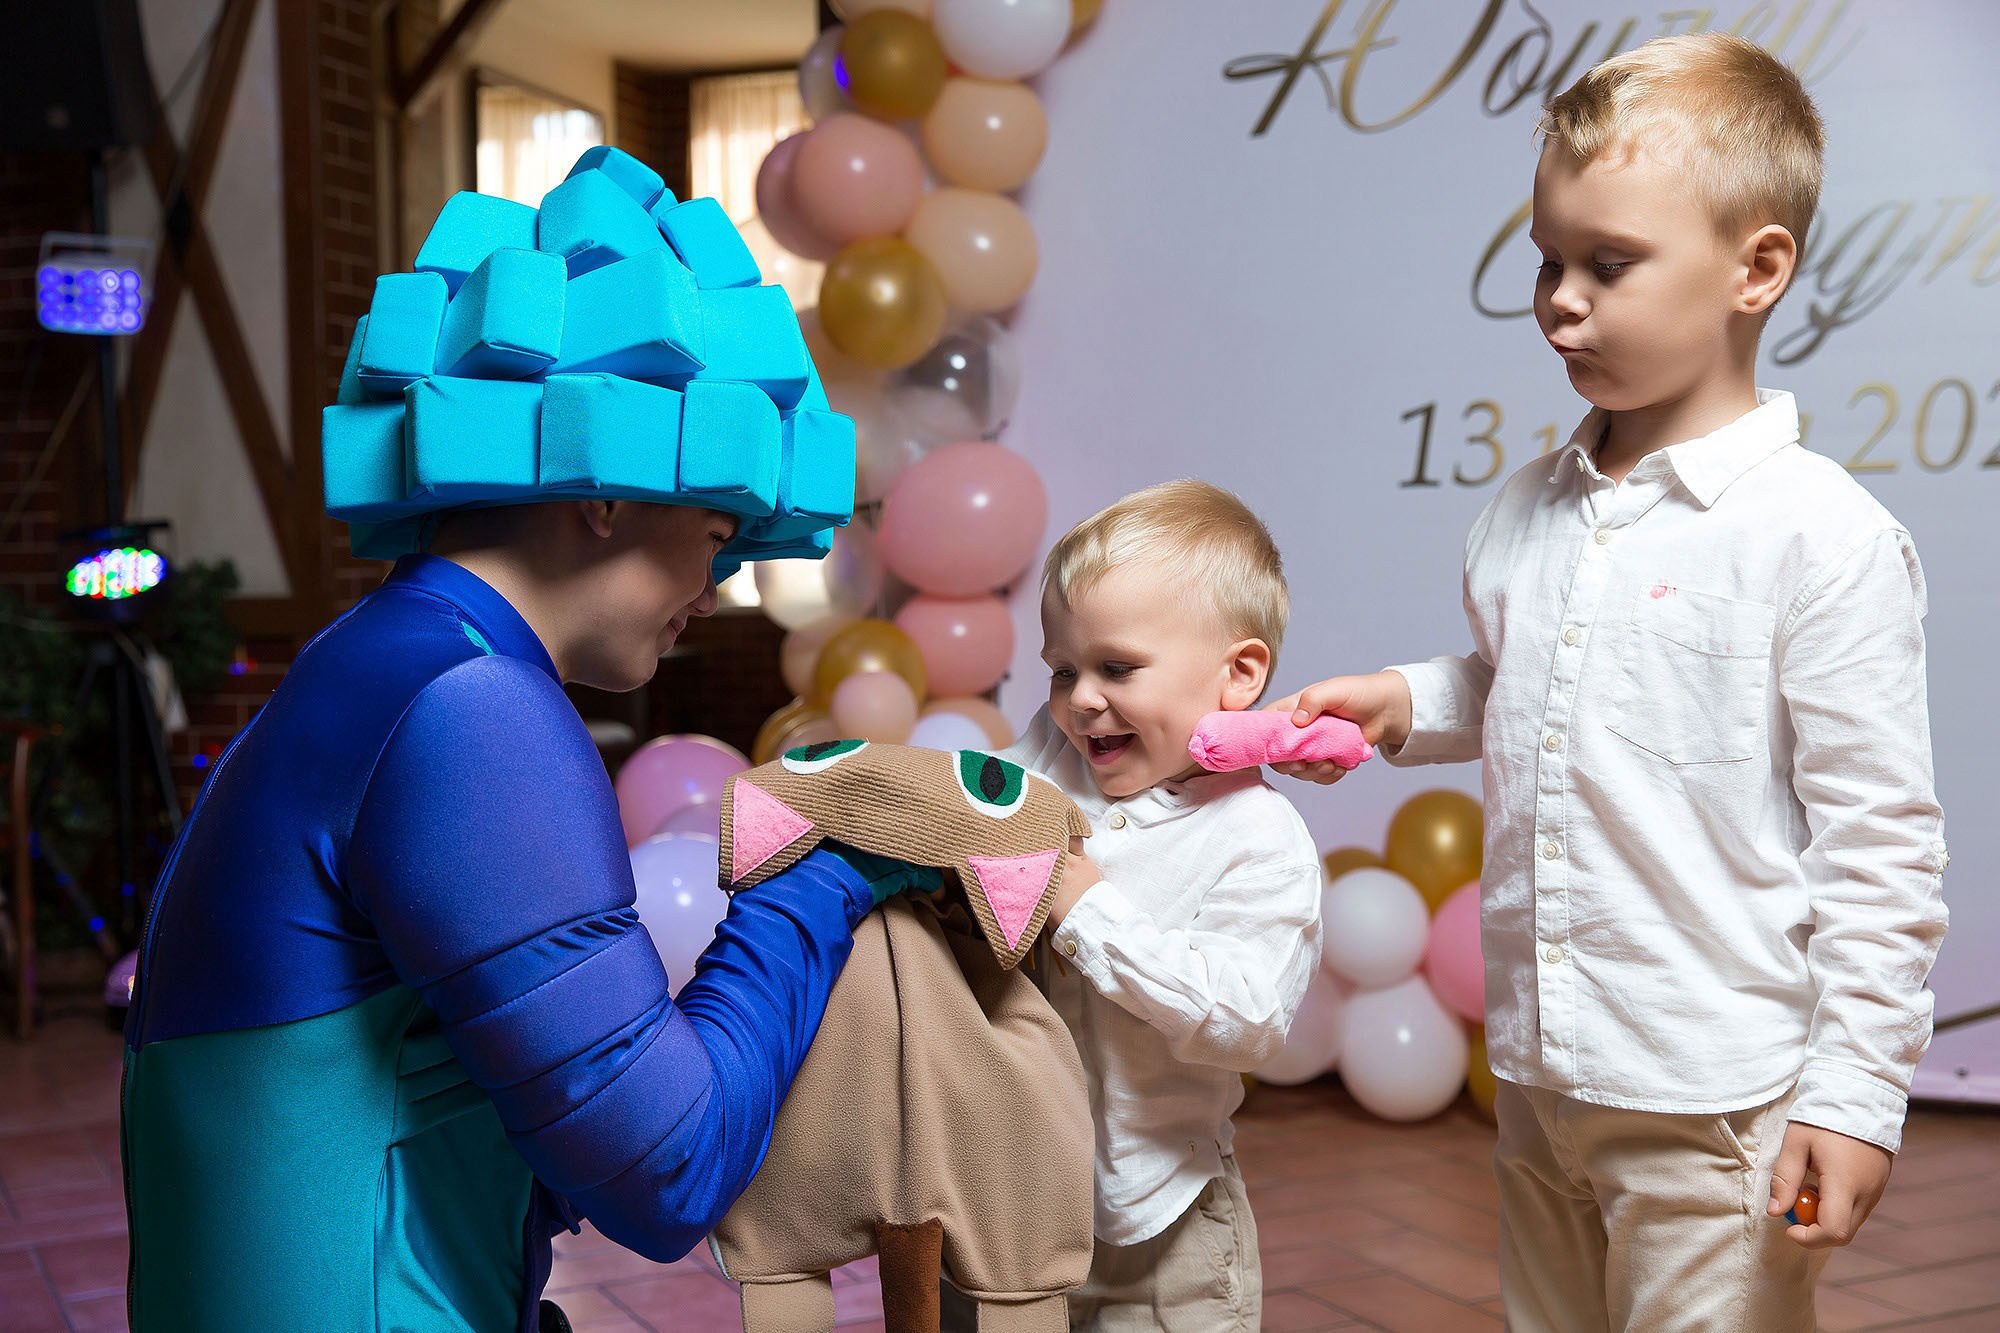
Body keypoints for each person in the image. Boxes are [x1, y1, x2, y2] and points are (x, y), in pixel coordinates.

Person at [120, 150, 938, 1333]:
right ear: (600, 487)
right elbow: (670, 1173)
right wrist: (817, 873)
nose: (711, 588)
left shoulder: (381, 655)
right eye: (712, 533)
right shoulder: (474, 707)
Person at [1275, 34, 1948, 1331]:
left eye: (1609, 264)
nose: (1559, 301)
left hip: (1717, 1090)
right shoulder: (1526, 508)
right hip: (1541, 1067)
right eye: (1548, 260)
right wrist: (1411, 703)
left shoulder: (1821, 537)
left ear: (1756, 268)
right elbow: (1531, 680)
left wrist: (1853, 1096)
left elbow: (1883, 848)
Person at [993, 480, 1323, 1331]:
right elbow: (989, 804)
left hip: (1164, 1221)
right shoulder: (1054, 753)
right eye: (1063, 669)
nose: (1081, 700)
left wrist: (1084, 905)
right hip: (1010, 1205)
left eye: (1117, 667)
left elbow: (1248, 1015)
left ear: (1238, 674)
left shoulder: (1257, 835)